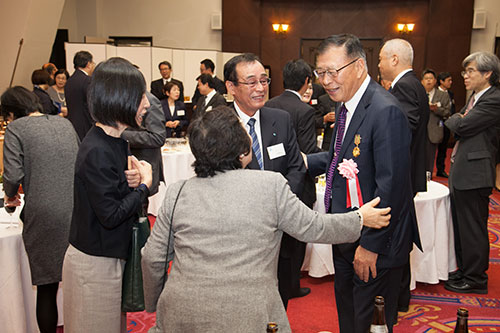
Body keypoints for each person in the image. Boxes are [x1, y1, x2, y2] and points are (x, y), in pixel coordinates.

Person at [141, 106, 392, 332]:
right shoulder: (269, 186)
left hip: (181, 314)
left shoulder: (178, 192)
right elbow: (315, 227)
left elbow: (152, 257)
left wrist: (157, 303)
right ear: (241, 148)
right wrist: (360, 218)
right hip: (251, 315)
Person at [306, 33, 420, 333]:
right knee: (349, 314)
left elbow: (392, 187)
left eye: (333, 71)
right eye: (321, 73)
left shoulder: (385, 111)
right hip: (347, 231)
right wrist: (305, 163)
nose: (326, 80)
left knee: (370, 322)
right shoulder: (346, 105)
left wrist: (370, 245)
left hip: (373, 243)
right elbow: (338, 158)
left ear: (358, 66)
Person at [62, 57, 153, 332]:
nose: (147, 104)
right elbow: (111, 215)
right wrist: (144, 187)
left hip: (110, 257)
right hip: (94, 266)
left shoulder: (116, 141)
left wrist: (133, 182)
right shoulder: (97, 149)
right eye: (140, 96)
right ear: (119, 98)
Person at [224, 53, 306, 309]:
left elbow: (296, 167)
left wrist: (278, 205)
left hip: (279, 228)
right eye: (251, 82)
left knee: (278, 300)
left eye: (264, 80)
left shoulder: (280, 119)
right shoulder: (218, 123)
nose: (260, 88)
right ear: (231, 87)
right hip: (238, 231)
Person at [1, 86, 79, 333]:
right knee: (75, 282)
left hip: (44, 215)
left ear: (12, 114)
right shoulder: (64, 124)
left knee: (46, 288)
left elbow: (12, 176)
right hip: (76, 212)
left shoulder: (16, 128)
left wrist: (10, 196)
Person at [378, 38, 430, 314]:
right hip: (406, 174)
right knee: (399, 236)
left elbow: (402, 132)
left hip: (400, 176)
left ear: (394, 59)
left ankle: (395, 300)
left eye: (381, 59)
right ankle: (399, 300)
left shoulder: (405, 87)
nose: (379, 64)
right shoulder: (411, 84)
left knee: (396, 239)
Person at [444, 51, 500, 294]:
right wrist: (458, 118)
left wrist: (459, 118)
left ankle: (476, 278)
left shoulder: (494, 98)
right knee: (461, 225)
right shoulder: (476, 97)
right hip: (463, 169)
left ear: (487, 73)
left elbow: (462, 124)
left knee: (473, 227)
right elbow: (456, 123)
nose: (464, 76)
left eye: (470, 71)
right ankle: (465, 269)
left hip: (476, 173)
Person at [265, 59, 322, 298]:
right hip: (297, 184)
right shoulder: (305, 111)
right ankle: (291, 287)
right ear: (307, 81)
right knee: (296, 240)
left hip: (269, 181)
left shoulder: (268, 105)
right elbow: (307, 152)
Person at [122, 91, 166, 200]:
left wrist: (121, 134)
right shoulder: (123, 97)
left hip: (143, 166)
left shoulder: (150, 101)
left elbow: (157, 137)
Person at [421, 69, 451, 176]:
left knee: (429, 157)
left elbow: (447, 112)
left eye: (431, 78)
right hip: (418, 130)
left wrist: (436, 109)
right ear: (422, 81)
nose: (428, 81)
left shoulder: (443, 95)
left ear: (435, 81)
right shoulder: (418, 93)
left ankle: (428, 180)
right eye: (426, 79)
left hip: (433, 130)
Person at [65, 50, 95, 141]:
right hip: (86, 125)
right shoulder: (87, 80)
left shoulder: (70, 80)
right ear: (88, 64)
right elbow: (91, 104)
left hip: (72, 124)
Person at [435, 71, 456, 178]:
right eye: (448, 80)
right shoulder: (435, 93)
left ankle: (441, 169)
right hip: (436, 124)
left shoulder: (450, 94)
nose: (450, 82)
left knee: (444, 147)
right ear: (441, 81)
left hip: (447, 123)